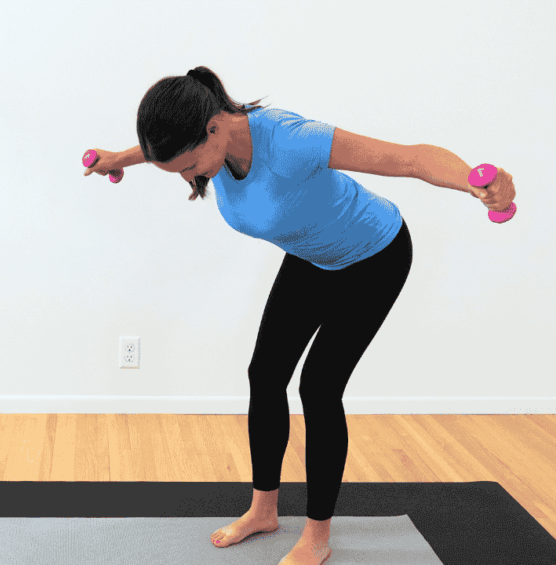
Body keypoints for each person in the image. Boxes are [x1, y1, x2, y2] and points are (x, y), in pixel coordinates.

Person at [84, 66, 515, 565]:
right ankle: (263, 511)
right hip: (314, 259)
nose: (191, 177)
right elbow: (169, 146)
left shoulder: (293, 141)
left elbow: (409, 158)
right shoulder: (203, 130)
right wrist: (120, 158)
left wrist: (474, 183)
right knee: (265, 374)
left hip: (375, 256)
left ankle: (317, 535)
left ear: (214, 128)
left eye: (189, 166)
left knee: (318, 386)